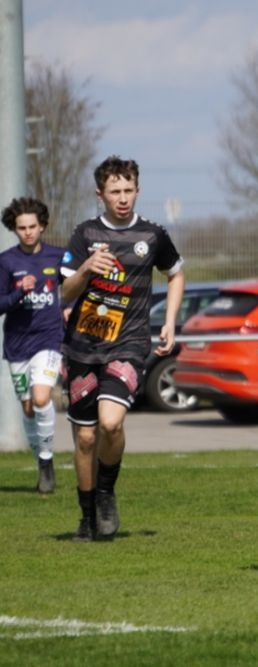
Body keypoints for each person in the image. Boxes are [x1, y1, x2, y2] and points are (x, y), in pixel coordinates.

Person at [61, 156, 185, 541]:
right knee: (85, 438)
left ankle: (105, 492)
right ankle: (86, 516)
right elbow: (64, 292)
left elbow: (176, 273)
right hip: (83, 348)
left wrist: (169, 321)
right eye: (115, 191)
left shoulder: (152, 235)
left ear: (138, 190)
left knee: (111, 423)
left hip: (128, 345)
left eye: (128, 190)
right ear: (100, 194)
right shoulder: (84, 234)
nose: (123, 197)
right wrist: (86, 268)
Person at [0, 197, 65, 493]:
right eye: (21, 228)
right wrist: (20, 293)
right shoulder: (6, 261)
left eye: (32, 227)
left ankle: (47, 461)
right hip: (17, 344)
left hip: (48, 338)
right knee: (28, 409)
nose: (27, 232)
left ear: (42, 227)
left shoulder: (58, 257)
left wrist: (70, 307)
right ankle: (41, 458)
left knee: (41, 398)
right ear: (15, 229)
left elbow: (76, 285)